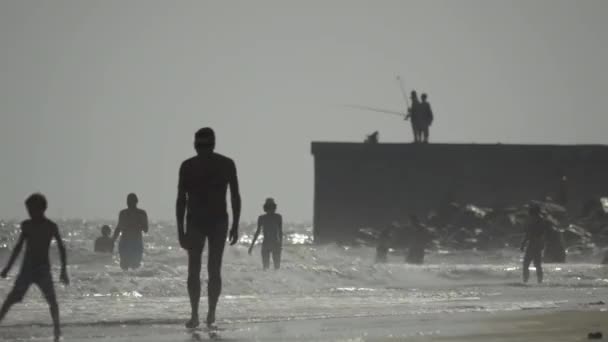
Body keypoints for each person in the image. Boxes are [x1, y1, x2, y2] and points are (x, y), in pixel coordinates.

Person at [176, 127, 241, 328]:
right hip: (207, 221)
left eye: (203, 145)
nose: (201, 149)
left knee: (204, 269)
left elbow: (181, 200)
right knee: (205, 270)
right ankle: (201, 313)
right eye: (201, 145)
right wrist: (236, 223)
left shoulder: (192, 166)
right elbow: (181, 200)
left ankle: (204, 313)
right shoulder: (222, 164)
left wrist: (181, 229)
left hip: (209, 221)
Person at [0, 194, 69, 342]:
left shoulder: (50, 226)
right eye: (28, 209)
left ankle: (57, 331)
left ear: (42, 209)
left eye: (32, 209)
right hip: (27, 269)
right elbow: (18, 247)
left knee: (52, 301)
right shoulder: (27, 225)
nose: (30, 212)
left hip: (43, 269)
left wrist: (64, 271)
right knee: (12, 298)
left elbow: (62, 248)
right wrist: (8, 267)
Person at [112, 193, 148, 270]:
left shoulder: (141, 213)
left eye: (131, 201)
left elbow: (146, 229)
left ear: (136, 202)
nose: (129, 203)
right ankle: (124, 281)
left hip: (136, 242)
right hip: (125, 242)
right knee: (124, 265)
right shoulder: (123, 213)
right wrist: (112, 240)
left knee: (135, 265)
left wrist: (137, 225)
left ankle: (133, 281)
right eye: (128, 201)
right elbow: (118, 228)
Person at [248, 198, 283, 270]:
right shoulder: (263, 218)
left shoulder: (277, 217)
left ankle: (274, 281)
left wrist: (280, 245)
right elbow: (257, 232)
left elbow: (280, 232)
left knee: (274, 268)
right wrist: (251, 246)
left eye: (272, 207)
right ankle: (269, 280)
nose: (271, 209)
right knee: (267, 268)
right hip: (269, 244)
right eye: (269, 207)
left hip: (273, 244)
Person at [520, 204, 550, 283]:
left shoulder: (533, 220)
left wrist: (523, 244)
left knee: (526, 264)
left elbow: (529, 234)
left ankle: (525, 281)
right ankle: (539, 281)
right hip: (539, 243)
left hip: (533, 243)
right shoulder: (541, 220)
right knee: (537, 264)